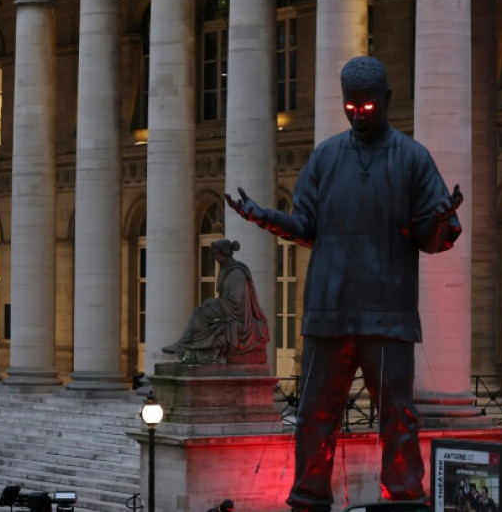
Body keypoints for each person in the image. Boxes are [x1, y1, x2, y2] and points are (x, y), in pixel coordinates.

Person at [225, 55, 463, 512]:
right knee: (314, 417)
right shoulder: (326, 156)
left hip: (388, 315)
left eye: (367, 108)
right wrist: (264, 217)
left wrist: (442, 222)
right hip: (329, 311)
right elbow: (306, 226)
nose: (358, 116)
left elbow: (433, 240)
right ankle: (309, 499)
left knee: (398, 418)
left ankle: (405, 499)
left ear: (387, 100)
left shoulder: (412, 158)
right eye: (350, 107)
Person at [162, 239, 269, 364]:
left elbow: (237, 302)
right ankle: (194, 347)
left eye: (216, 254)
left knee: (200, 312)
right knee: (202, 311)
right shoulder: (226, 269)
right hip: (229, 308)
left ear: (224, 253)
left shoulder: (237, 273)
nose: (214, 257)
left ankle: (182, 345)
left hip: (236, 313)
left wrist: (214, 303)